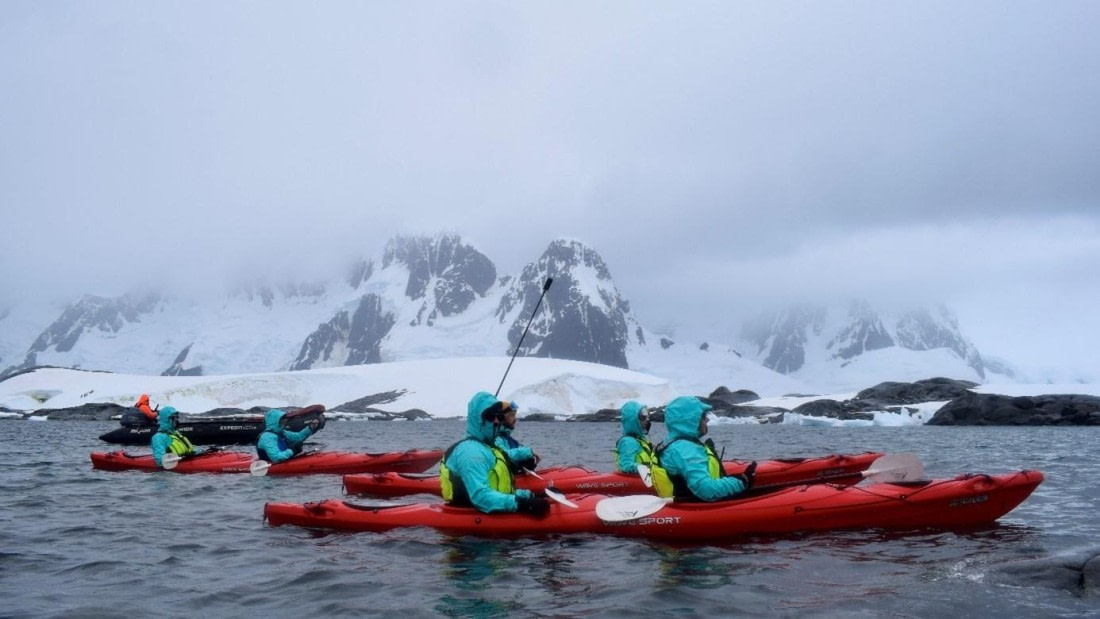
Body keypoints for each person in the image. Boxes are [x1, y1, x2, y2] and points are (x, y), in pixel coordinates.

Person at [438, 391, 551, 516]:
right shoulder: (470, 452)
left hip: (491, 513)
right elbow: (481, 497)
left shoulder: (491, 449)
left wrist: (534, 495)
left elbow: (502, 490)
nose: (496, 421)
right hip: (469, 522)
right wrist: (522, 504)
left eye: (500, 417)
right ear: (478, 419)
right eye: (490, 416)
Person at [657, 396, 756, 502]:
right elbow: (706, 490)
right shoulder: (685, 450)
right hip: (697, 506)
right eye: (703, 416)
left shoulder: (672, 444)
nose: (707, 419)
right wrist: (741, 481)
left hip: (683, 502)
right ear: (691, 419)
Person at [255, 408, 320, 463]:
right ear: (275, 422)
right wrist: (292, 450)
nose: (284, 424)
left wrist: (310, 428)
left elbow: (298, 437)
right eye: (282, 421)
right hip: (272, 465)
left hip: (284, 461)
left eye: (285, 421)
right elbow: (276, 457)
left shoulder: (283, 433)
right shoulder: (267, 437)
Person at [493, 400, 541, 473]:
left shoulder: (509, 439)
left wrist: (530, 458)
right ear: (501, 418)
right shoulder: (495, 439)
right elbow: (502, 455)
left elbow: (518, 450)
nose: (515, 419)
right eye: (512, 415)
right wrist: (528, 452)